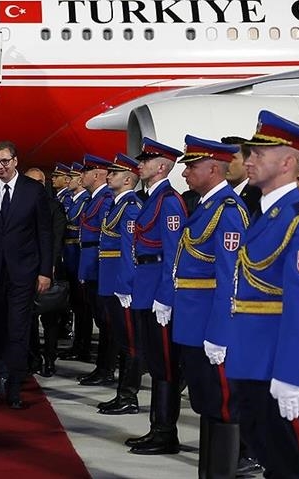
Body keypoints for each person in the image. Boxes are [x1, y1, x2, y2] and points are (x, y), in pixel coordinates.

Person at [226, 110, 299, 479]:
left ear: (287, 163)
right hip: (253, 363)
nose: (248, 160)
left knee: (291, 469)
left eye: (258, 153)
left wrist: (291, 375)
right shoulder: (265, 213)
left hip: (279, 368)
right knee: (271, 462)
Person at [172, 136, 250, 478]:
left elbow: (231, 277)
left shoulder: (228, 211)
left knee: (222, 407)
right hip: (194, 323)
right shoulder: (207, 207)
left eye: (192, 166)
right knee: (206, 404)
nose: (185, 173)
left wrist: (220, 332)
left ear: (214, 169)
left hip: (210, 325)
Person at [0, 141, 52, 409]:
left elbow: (44, 233)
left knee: (18, 329)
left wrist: (45, 271)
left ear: (15, 161)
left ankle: (15, 385)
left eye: (4, 161)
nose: (0, 166)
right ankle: (1, 376)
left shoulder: (33, 190)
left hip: (24, 273)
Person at [123, 137, 187, 455]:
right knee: (155, 362)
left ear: (162, 166)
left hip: (158, 291)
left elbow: (173, 254)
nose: (140, 164)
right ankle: (156, 428)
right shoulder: (152, 198)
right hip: (145, 287)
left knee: (165, 365)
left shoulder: (170, 201)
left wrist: (166, 296)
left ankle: (165, 432)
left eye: (146, 160)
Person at [95, 154, 142, 415]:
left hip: (120, 283)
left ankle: (128, 396)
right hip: (109, 279)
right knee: (120, 338)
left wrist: (125, 285)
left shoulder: (130, 206)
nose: (109, 176)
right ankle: (122, 393)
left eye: (114, 173)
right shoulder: (116, 205)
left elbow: (129, 249)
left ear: (127, 180)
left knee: (130, 342)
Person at [22, 167, 66, 378]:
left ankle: (49, 358)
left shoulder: (54, 206)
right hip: (25, 269)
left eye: (39, 182)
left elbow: (57, 238)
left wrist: (49, 267)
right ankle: (33, 358)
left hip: (48, 268)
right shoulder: (19, 206)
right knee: (28, 317)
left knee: (50, 318)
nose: (35, 186)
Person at [77, 154, 116, 386]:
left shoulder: (106, 199)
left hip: (100, 266)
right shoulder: (95, 199)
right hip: (91, 264)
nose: (81, 175)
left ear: (98, 174)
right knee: (100, 320)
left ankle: (106, 368)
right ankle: (102, 367)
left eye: (86, 171)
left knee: (106, 321)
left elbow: (105, 236)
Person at [57, 162, 91, 362]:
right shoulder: (71, 199)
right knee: (75, 303)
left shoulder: (85, 201)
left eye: (72, 177)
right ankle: (77, 343)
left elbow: (73, 226)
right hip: (69, 254)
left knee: (82, 305)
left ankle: (82, 345)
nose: (68, 180)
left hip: (78, 255)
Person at [222, 136, 261, 212]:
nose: (225, 163)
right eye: (222, 158)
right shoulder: (211, 193)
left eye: (232, 158)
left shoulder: (259, 196)